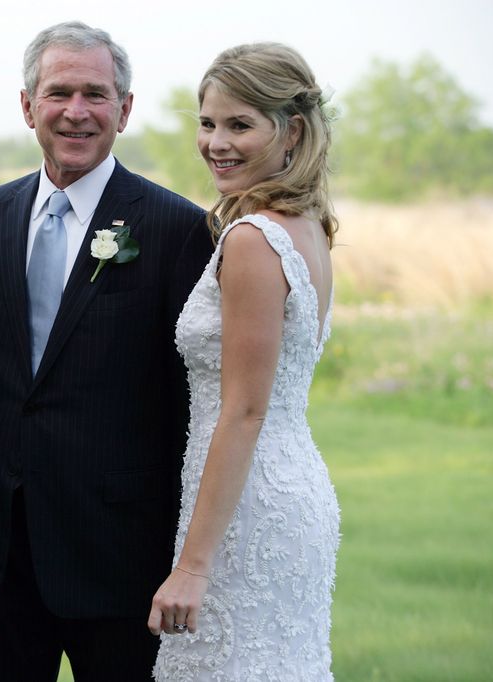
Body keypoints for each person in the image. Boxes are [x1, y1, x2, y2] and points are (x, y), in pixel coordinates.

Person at [0, 21, 213, 681]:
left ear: (124, 108)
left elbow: (193, 400)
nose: (76, 111)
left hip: (120, 553)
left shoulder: (179, 228)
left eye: (96, 94)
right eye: (59, 92)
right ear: (28, 105)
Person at [148, 42, 340, 680]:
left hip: (247, 507)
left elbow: (245, 411)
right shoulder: (307, 225)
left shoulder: (256, 240)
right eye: (208, 123)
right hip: (282, 483)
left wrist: (193, 565)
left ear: (291, 131)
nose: (217, 143)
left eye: (239, 124)